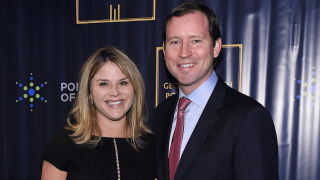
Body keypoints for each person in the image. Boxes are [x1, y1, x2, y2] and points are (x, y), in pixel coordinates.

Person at [152, 2, 278, 180]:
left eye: (195, 40)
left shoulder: (249, 117)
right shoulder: (161, 114)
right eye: (175, 42)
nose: (184, 52)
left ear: (216, 47)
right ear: (164, 50)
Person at [41, 46, 156, 180]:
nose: (115, 92)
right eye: (103, 84)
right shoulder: (63, 143)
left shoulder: (152, 146)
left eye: (123, 82)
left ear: (135, 89)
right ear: (89, 92)